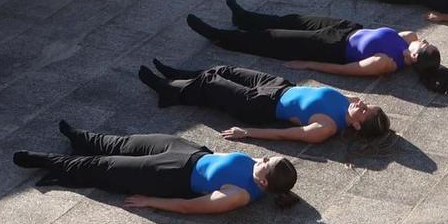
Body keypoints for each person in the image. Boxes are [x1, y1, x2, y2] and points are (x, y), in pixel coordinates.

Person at [186, 0, 448, 92]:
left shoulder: (385, 64)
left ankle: (220, 37)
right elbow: (408, 35)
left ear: (413, 60)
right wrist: (413, 41)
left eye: (419, 47)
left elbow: (348, 70)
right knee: (293, 19)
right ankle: (244, 17)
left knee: (273, 41)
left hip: (331, 47)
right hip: (345, 28)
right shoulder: (410, 40)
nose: (419, 40)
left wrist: (309, 65)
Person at [13, 121, 298, 214]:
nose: (260, 159)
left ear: (263, 184)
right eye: (266, 158)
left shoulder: (240, 195)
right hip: (189, 152)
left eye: (264, 164)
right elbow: (225, 159)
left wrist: (152, 201)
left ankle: (44, 161)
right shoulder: (266, 177)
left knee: (106, 166)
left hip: (171, 175)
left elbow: (192, 207)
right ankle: (81, 138)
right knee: (129, 143)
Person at [136, 62, 391, 145]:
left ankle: (168, 92)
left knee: (212, 84)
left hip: (259, 105)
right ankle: (179, 76)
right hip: (279, 85)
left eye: (365, 111)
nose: (364, 104)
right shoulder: (351, 103)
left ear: (357, 125)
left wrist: (247, 132)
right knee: (224, 70)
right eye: (368, 105)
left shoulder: (326, 127)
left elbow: (285, 134)